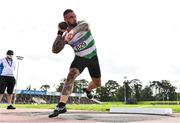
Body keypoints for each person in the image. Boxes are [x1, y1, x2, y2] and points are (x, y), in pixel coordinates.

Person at [49, 9, 101, 118]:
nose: (74, 19)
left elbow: (84, 26)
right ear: (65, 19)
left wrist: (73, 32)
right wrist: (59, 33)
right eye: (70, 17)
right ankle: (61, 105)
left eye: (74, 16)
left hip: (92, 57)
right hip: (80, 58)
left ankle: (88, 89)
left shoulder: (82, 24)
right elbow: (55, 50)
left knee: (97, 83)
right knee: (71, 75)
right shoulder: (65, 35)